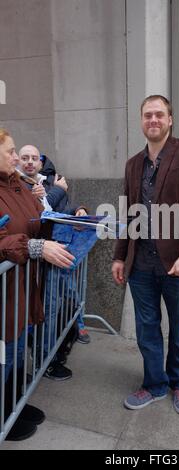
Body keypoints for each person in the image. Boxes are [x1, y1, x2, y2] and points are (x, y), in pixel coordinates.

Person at [112, 95, 179, 415]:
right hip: (140, 264)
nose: (153, 120)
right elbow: (127, 214)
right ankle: (154, 384)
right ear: (141, 121)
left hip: (177, 264)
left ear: (170, 120)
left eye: (159, 114)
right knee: (147, 329)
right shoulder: (132, 164)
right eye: (147, 115)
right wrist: (118, 256)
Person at [0, 128, 74, 440]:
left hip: (23, 286)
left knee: (17, 350)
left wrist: (70, 215)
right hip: (7, 291)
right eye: (10, 151)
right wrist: (35, 247)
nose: (17, 157)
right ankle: (4, 414)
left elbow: (36, 219)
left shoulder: (18, 183)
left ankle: (14, 404)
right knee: (6, 353)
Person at [18, 145, 90, 380]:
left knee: (67, 303)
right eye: (24, 158)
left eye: (34, 158)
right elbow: (38, 214)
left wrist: (78, 209)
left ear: (40, 163)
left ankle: (58, 348)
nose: (29, 162)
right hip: (37, 261)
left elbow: (58, 210)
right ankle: (43, 361)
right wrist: (57, 190)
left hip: (58, 257)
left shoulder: (46, 184)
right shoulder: (21, 185)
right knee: (46, 312)